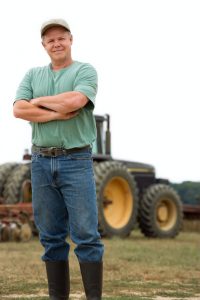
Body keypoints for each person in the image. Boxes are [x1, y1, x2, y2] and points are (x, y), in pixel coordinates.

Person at [13, 18, 104, 300]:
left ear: (71, 39)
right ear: (44, 45)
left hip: (75, 161)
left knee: (86, 236)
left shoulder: (84, 71)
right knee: (51, 238)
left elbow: (75, 102)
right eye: (50, 40)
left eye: (61, 38)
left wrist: (37, 101)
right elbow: (18, 110)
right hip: (41, 163)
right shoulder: (32, 74)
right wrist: (55, 112)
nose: (56, 43)